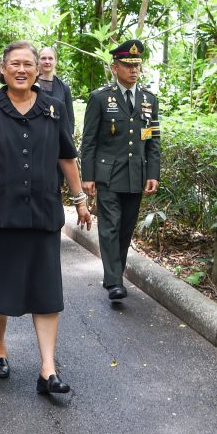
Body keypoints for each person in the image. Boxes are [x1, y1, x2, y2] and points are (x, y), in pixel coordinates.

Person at [0, 40, 92, 396]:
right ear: (2, 69)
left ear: (38, 70)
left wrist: (79, 200)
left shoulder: (54, 108)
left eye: (28, 64)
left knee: (46, 291)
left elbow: (67, 157)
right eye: (14, 64)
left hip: (42, 212)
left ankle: (47, 369)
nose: (22, 70)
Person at [80, 39, 160, 302]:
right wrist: (88, 176)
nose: (133, 70)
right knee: (110, 225)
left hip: (136, 174)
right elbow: (89, 141)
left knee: (125, 228)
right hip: (108, 175)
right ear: (115, 68)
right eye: (127, 65)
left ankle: (114, 274)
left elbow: (152, 140)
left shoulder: (149, 100)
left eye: (137, 65)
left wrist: (153, 173)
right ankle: (115, 281)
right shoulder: (101, 98)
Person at [38, 46, 75, 136]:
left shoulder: (64, 87)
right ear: (37, 61)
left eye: (50, 58)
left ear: (55, 61)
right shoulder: (30, 85)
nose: (47, 61)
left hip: (57, 137)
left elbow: (69, 118)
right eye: (43, 58)